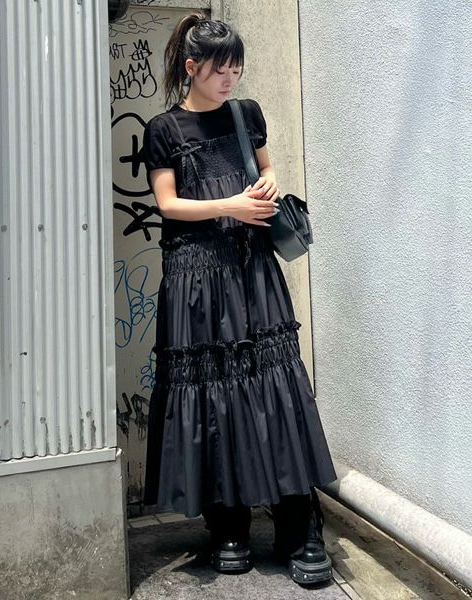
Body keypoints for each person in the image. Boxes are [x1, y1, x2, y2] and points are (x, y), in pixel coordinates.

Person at [141, 11, 338, 586]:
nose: (230, 79)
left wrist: (268, 183)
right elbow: (168, 205)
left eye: (236, 68)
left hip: (252, 270)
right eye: (219, 69)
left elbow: (265, 169)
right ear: (191, 67)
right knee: (211, 395)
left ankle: (298, 525)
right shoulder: (163, 129)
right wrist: (230, 205)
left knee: (275, 388)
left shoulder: (246, 114)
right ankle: (227, 525)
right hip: (195, 276)